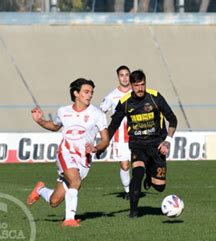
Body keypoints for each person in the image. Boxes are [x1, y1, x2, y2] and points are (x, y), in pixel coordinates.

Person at [26, 78, 110, 227]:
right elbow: (54, 126)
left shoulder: (97, 114)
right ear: (76, 93)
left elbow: (105, 139)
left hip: (84, 159)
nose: (90, 95)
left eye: (91, 92)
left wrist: (96, 148)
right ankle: (69, 219)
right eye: (86, 92)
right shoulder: (63, 111)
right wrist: (40, 121)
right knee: (75, 181)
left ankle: (40, 190)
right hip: (65, 153)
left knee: (54, 201)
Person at [104, 70, 177, 218]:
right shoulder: (125, 103)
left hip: (157, 145)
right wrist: (104, 144)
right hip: (137, 145)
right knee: (137, 174)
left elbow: (173, 119)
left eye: (142, 84)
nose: (140, 88)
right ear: (131, 85)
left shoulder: (155, 97)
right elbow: (113, 126)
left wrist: (167, 142)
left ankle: (151, 176)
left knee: (159, 187)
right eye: (136, 85)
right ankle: (133, 212)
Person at [100, 65, 132, 200]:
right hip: (120, 137)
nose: (124, 77)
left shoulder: (137, 92)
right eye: (121, 75)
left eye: (126, 74)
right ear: (118, 77)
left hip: (138, 133)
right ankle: (128, 191)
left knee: (140, 162)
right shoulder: (112, 96)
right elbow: (100, 112)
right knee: (125, 165)